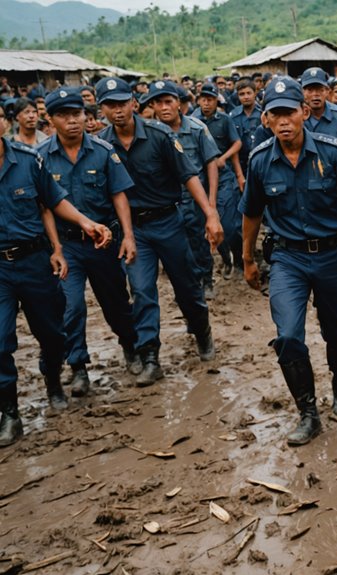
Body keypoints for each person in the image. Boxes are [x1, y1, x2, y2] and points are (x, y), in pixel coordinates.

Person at [240, 77, 337, 445]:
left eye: (289, 112)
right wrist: (248, 258)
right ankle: (308, 412)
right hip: (287, 258)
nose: (283, 121)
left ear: (304, 112)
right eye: (275, 114)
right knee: (288, 336)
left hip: (331, 255)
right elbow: (251, 213)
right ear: (266, 118)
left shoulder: (333, 151)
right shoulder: (261, 159)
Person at [96, 77, 223, 386]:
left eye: (122, 103)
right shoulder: (100, 145)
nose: (118, 110)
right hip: (132, 230)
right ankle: (150, 355)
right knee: (141, 291)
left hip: (168, 222)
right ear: (101, 110)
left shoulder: (160, 135)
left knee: (187, 287)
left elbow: (188, 175)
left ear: (134, 104)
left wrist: (210, 213)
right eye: (110, 105)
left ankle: (201, 331)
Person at [0, 112, 113, 445]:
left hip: (35, 261)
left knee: (53, 333)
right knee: (0, 339)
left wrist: (81, 226)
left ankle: (52, 378)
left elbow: (51, 202)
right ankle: (9, 413)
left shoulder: (27, 160)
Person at [41, 88, 138, 397]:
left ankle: (130, 347)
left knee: (116, 303)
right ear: (51, 119)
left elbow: (118, 194)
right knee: (70, 307)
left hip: (103, 243)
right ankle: (78, 366)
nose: (72, 121)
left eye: (77, 114)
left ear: (86, 115)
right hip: (67, 244)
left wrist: (128, 236)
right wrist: (55, 248)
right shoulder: (40, 157)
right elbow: (43, 207)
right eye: (63, 115)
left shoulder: (102, 150)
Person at [147, 81, 221, 299]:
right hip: (166, 204)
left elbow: (211, 165)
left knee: (200, 243)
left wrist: (211, 205)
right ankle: (189, 285)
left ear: (178, 103)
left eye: (168, 102)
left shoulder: (197, 129)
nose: (164, 108)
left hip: (195, 200)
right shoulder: (149, 133)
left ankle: (205, 280)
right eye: (158, 103)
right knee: (177, 249)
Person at [193, 83, 244, 280]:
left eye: (210, 99)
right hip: (201, 180)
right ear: (198, 100)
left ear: (217, 100)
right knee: (210, 225)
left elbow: (237, 142)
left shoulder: (224, 120)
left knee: (230, 226)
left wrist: (224, 158)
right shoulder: (193, 121)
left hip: (224, 178)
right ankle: (227, 259)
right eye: (203, 99)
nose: (206, 103)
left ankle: (239, 259)